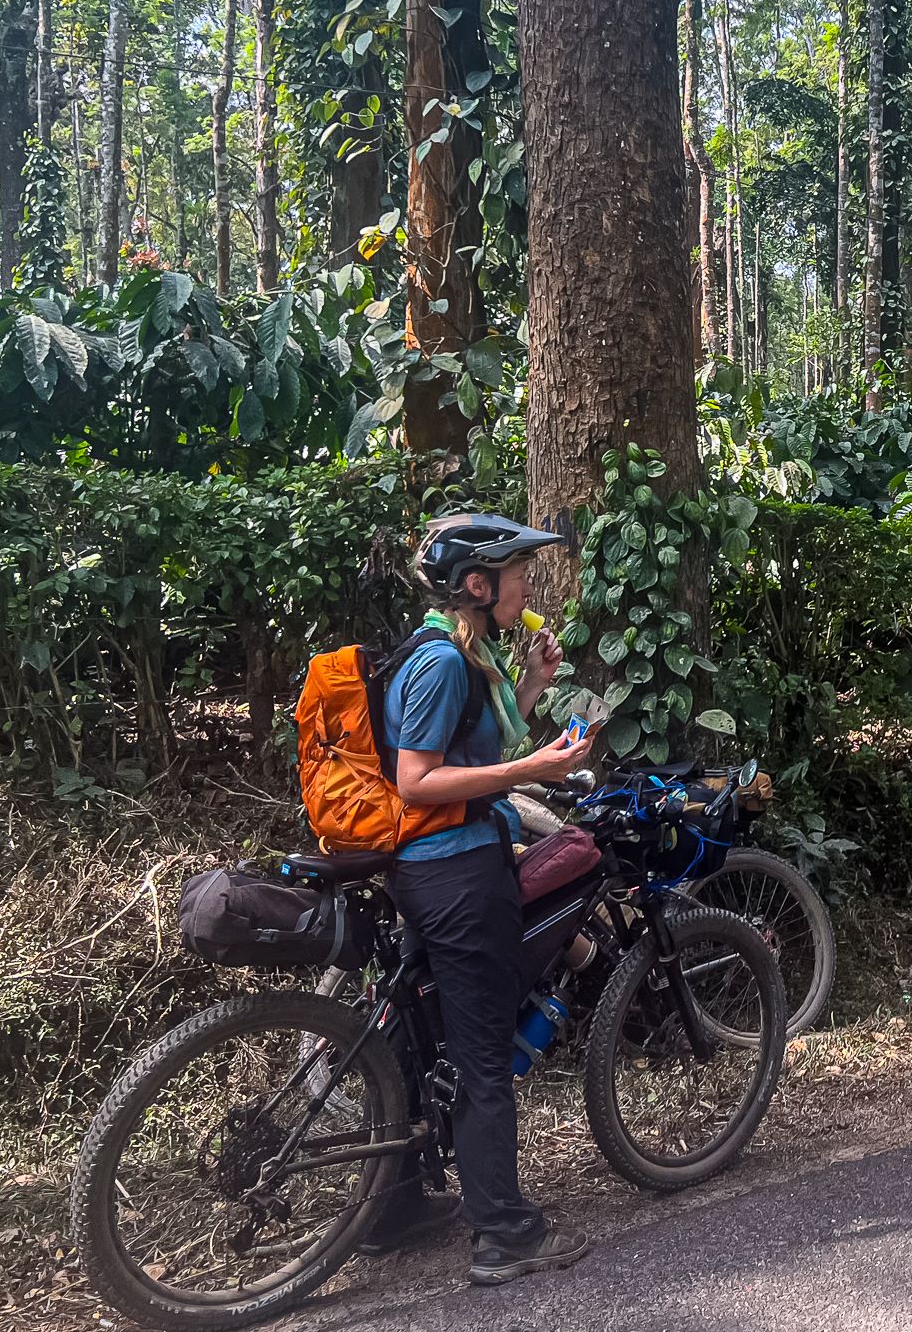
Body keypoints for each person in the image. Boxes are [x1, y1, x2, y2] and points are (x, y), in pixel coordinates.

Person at [370, 512, 599, 1285]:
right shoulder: (441, 664)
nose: (527, 588)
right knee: (479, 1056)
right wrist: (531, 772)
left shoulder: (461, 656)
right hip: (457, 878)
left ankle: (390, 1208)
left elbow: (476, 755)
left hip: (433, 870)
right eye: (517, 575)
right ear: (478, 584)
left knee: (413, 1040)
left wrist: (532, 686)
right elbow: (418, 781)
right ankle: (502, 1233)